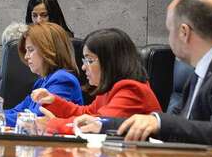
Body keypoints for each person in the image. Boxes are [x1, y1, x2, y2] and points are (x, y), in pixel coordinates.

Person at [76, 0, 212, 152]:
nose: (169, 38)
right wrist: (104, 125)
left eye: (169, 30)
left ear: (184, 32)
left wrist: (159, 122)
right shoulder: (203, 70)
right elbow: (183, 124)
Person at [32, 28, 161, 134]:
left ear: (110, 62)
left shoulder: (132, 90)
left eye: (90, 60)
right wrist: (54, 102)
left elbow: (94, 125)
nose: (83, 67)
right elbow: (86, 113)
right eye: (84, 61)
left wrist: (53, 124)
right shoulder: (110, 88)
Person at [0, 22, 83, 128]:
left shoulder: (62, 80)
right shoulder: (42, 82)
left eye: (30, 50)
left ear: (48, 49)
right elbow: (17, 111)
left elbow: (35, 119)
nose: (26, 56)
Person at [0, 0, 74, 96]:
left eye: (44, 15)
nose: (38, 20)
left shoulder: (64, 44)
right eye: (34, 16)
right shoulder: (39, 82)